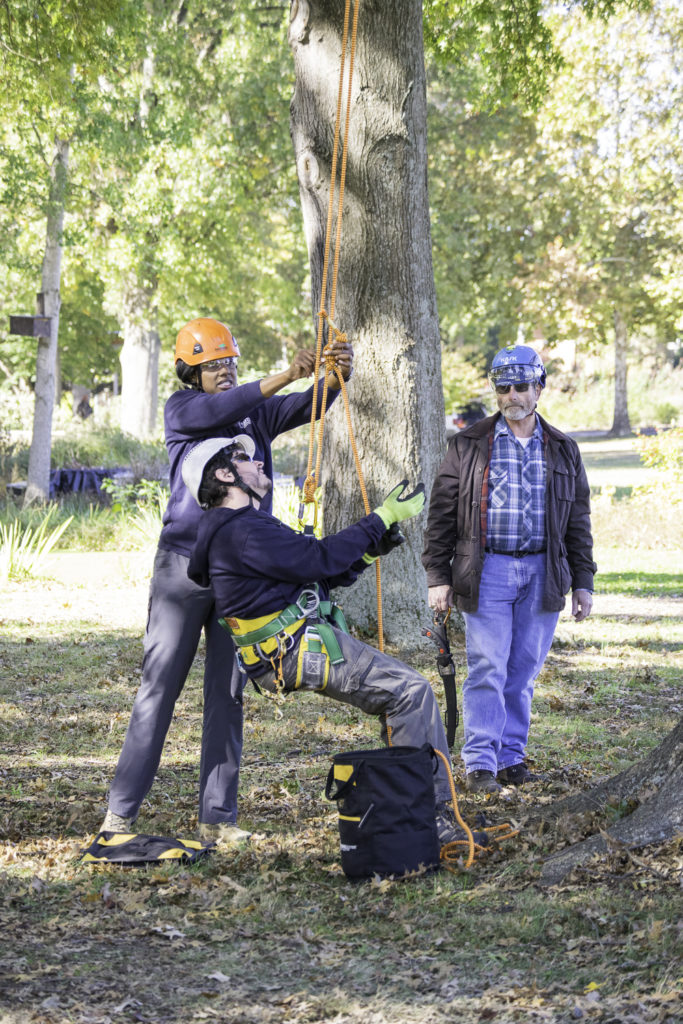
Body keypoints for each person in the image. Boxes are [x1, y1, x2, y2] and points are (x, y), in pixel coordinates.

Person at [100, 317, 353, 841]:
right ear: (190, 372)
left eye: (229, 363)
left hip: (239, 575)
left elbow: (303, 406)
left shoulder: (253, 411)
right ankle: (119, 814)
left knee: (227, 692)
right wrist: (285, 374)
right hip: (182, 570)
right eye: (213, 365)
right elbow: (224, 407)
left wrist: (333, 377)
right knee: (159, 686)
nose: (224, 372)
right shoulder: (183, 410)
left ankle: (218, 820)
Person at [182, 436, 469, 846]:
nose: (259, 463)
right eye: (245, 459)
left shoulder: (240, 530)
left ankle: (413, 806)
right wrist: (381, 517)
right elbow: (318, 558)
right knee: (410, 692)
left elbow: (314, 576)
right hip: (295, 648)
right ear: (225, 475)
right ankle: (432, 816)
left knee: (404, 694)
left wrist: (368, 553)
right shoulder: (241, 531)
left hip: (288, 647)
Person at [422, 345, 596, 794]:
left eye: (522, 385)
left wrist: (584, 581)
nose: (512, 394)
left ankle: (511, 758)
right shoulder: (467, 445)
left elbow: (577, 520)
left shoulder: (563, 449)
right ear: (495, 390)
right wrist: (437, 578)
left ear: (539, 388)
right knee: (487, 668)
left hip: (544, 571)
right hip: (488, 570)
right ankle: (480, 763)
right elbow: (441, 515)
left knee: (522, 672)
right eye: (504, 386)